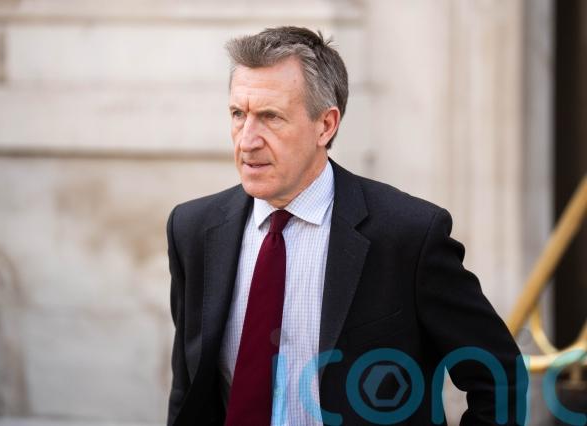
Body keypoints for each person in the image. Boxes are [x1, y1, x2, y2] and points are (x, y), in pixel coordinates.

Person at [166, 26, 527, 426]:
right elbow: (188, 391)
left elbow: (499, 378)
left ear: (326, 125)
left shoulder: (408, 235)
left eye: (270, 117)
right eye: (238, 114)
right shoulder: (193, 230)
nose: (247, 140)